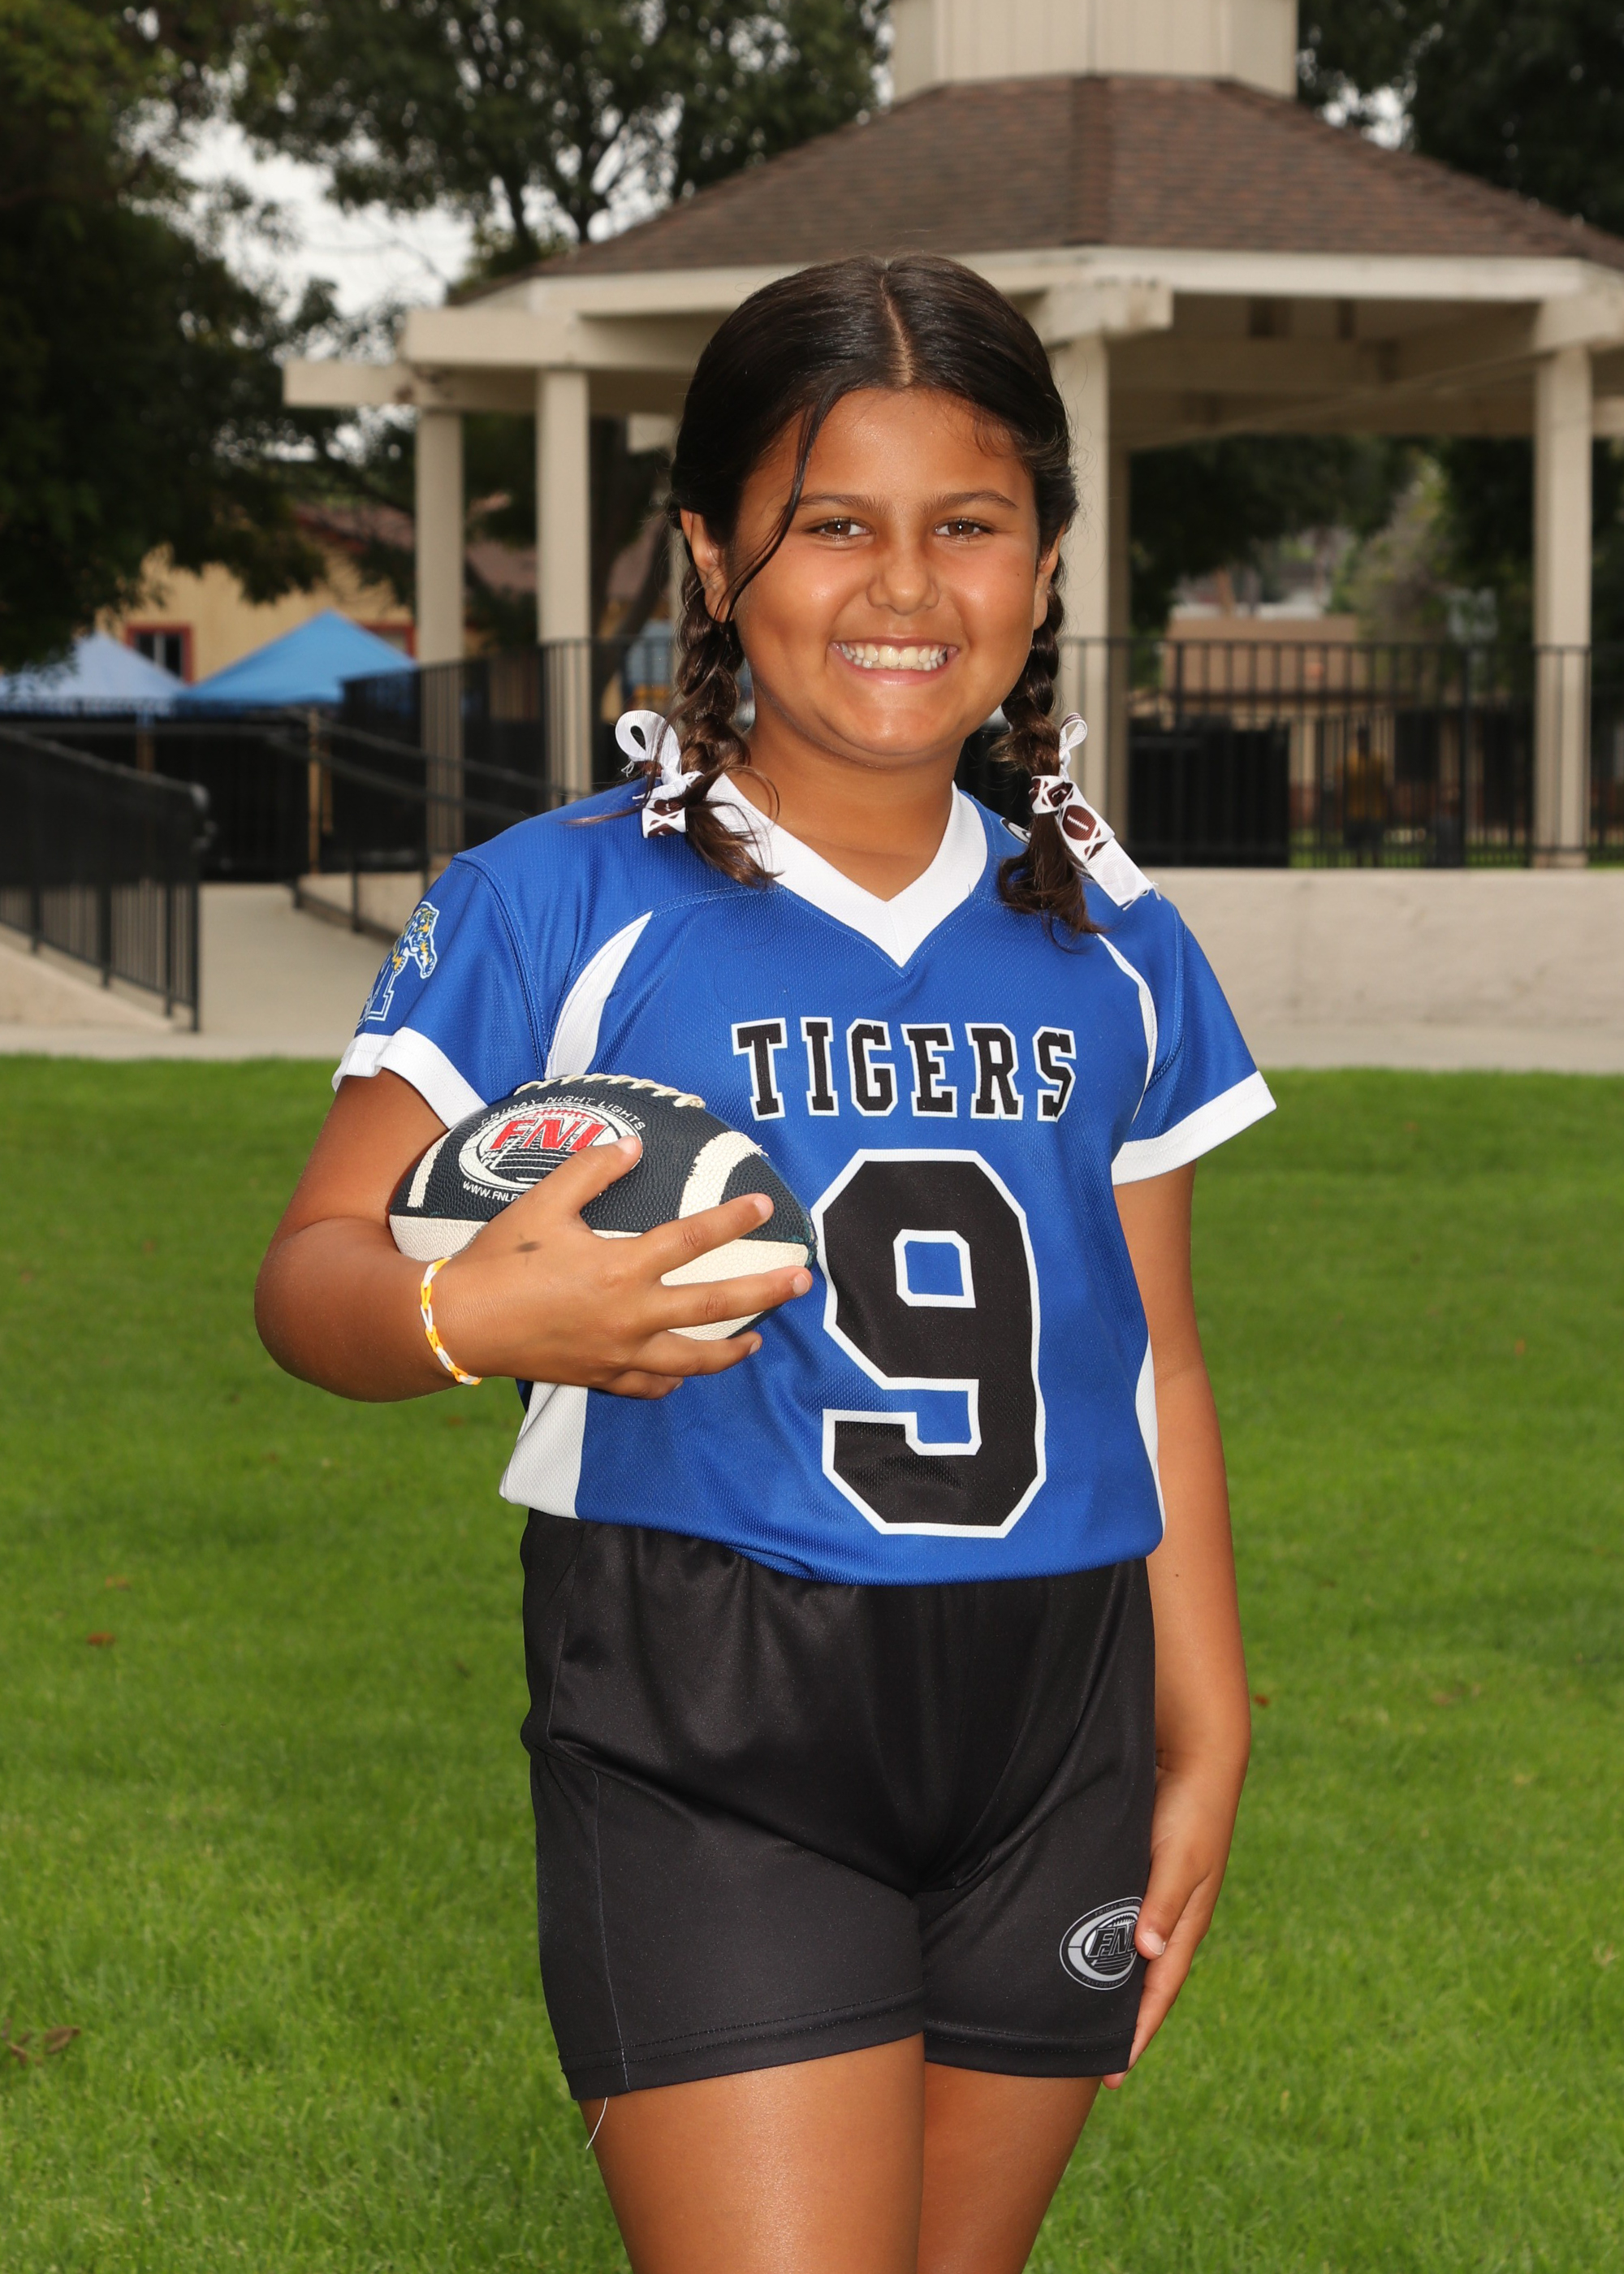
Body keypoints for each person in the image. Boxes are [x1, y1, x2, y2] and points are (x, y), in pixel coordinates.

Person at [256, 253, 1271, 2274]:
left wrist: (1208, 1712)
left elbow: (1150, 1352)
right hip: (705, 1689)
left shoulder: (1118, 938)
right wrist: (477, 1312)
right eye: (832, 525)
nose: (903, 585)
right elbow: (312, 1272)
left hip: (1052, 1695)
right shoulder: (558, 898)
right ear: (716, 560)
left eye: (966, 524)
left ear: (1046, 561)